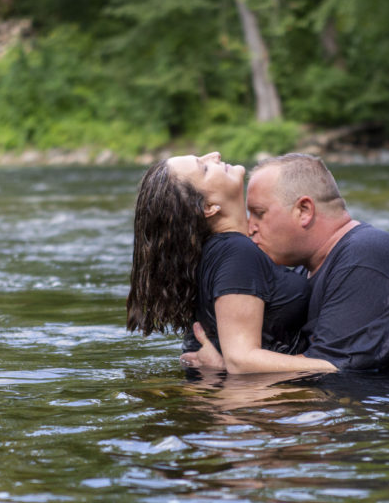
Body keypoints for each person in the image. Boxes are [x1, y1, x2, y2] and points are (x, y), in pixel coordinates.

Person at [241, 153, 389, 371]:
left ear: (304, 210)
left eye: (259, 213)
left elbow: (331, 369)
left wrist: (242, 359)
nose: (250, 227)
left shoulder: (366, 256)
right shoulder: (305, 268)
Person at [126, 152, 336, 374]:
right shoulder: (236, 252)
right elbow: (240, 360)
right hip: (258, 405)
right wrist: (337, 366)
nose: (214, 156)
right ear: (208, 207)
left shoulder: (221, 251)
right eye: (204, 168)